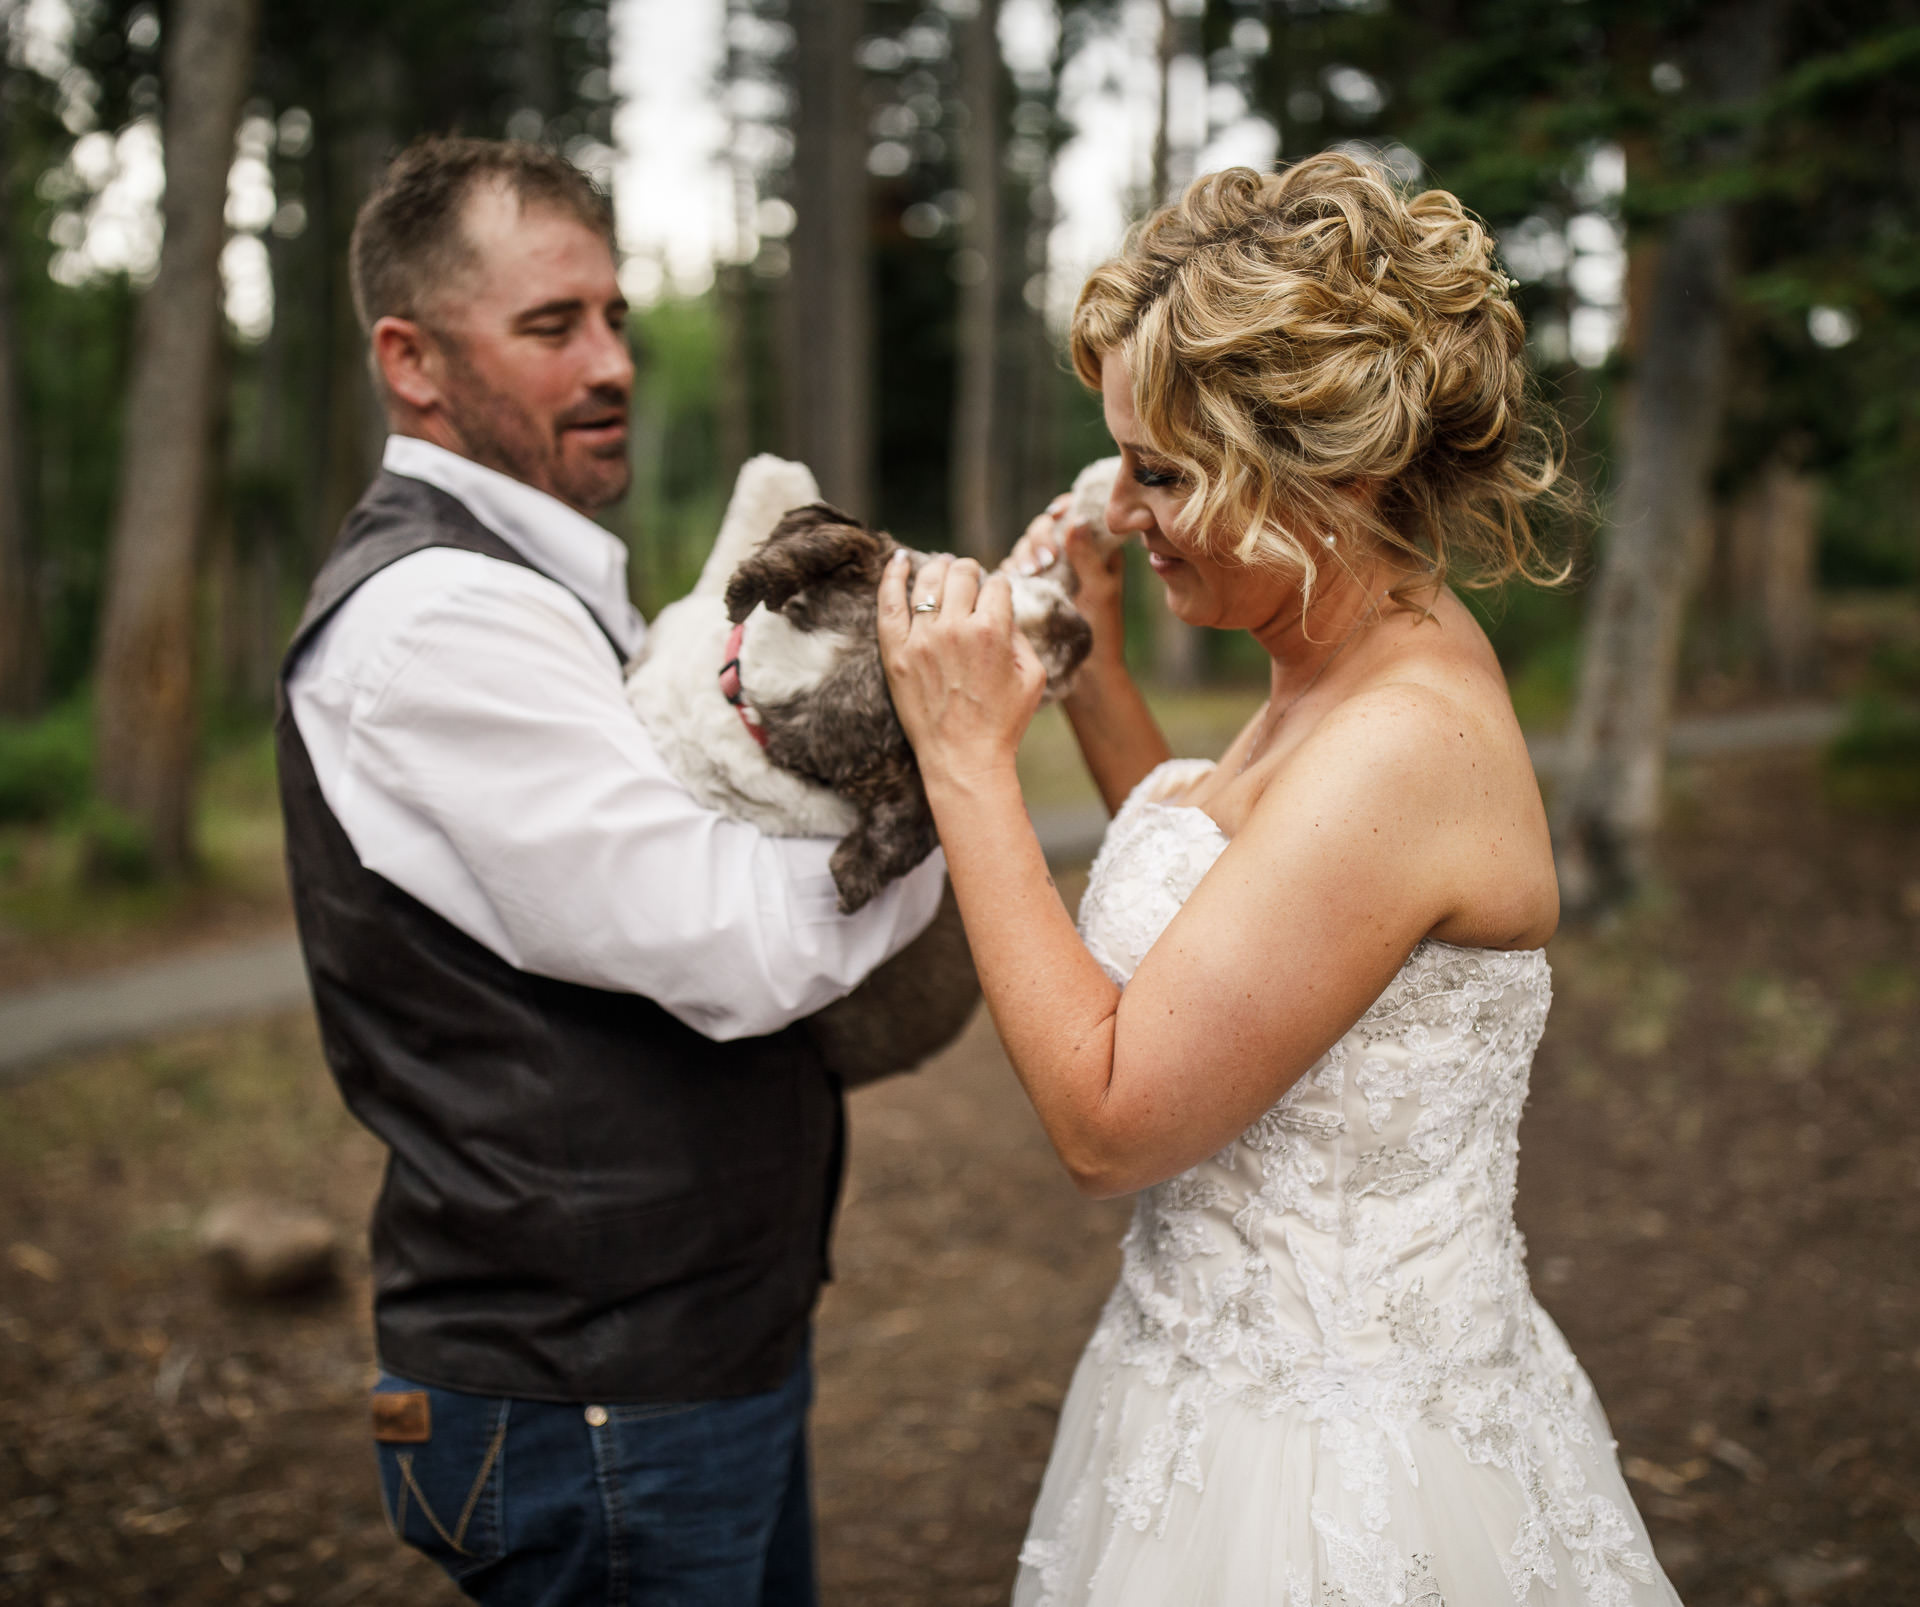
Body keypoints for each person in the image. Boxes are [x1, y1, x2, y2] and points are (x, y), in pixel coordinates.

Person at [877, 156, 1684, 1604]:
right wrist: (1094, 677)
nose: (1126, 508)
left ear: (1336, 467)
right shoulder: (1335, 663)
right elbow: (1248, 934)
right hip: (1199, 1389)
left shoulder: (1402, 742)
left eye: (1168, 472)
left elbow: (1114, 1121)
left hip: (1326, 1475)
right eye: (1127, 459)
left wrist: (966, 762)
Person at [276, 136, 945, 1606]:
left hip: (677, 1359)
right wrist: (946, 772)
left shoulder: (538, 583)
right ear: (412, 361)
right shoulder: (435, 624)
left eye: (617, 318)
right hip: (596, 1397)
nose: (611, 363)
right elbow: (739, 946)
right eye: (549, 326)